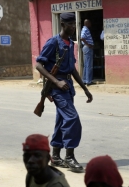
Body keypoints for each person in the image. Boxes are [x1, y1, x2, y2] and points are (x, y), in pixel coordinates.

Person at [35, 12, 93, 173]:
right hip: (56, 87)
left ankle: (55, 155)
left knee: (62, 120)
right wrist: (56, 82)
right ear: (63, 25)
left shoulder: (71, 43)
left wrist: (85, 89)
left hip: (67, 86)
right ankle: (69, 156)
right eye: (70, 24)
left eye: (75, 24)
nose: (73, 27)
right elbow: (39, 65)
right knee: (72, 118)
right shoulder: (53, 42)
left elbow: (72, 69)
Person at [80, 19, 94, 86]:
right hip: (87, 48)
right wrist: (88, 44)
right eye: (90, 23)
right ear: (87, 23)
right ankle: (88, 81)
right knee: (89, 65)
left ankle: (85, 80)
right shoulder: (85, 29)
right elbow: (82, 37)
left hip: (86, 47)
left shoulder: (85, 29)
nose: (90, 24)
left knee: (86, 65)